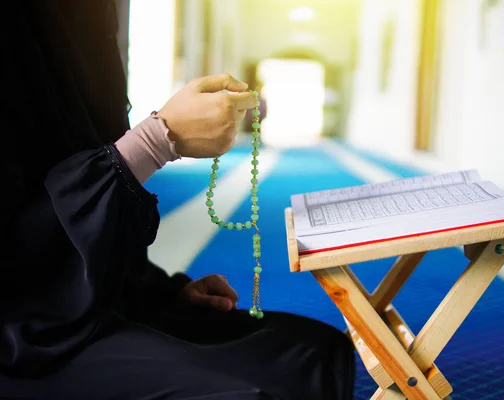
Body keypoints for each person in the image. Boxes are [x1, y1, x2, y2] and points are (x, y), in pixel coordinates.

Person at [0, 1, 356, 399]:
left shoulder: (86, 17)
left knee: (313, 352)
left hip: (92, 302)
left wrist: (156, 291)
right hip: (22, 337)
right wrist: (153, 142)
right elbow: (21, 250)